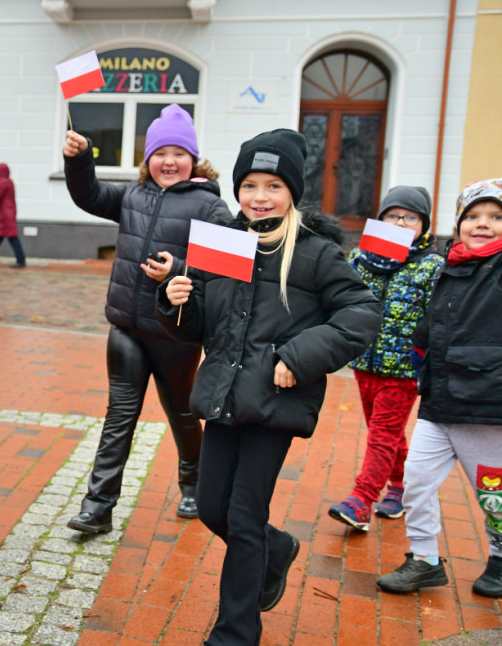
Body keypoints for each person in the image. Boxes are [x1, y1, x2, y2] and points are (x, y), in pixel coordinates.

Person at [159, 129, 381, 645]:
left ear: (292, 192)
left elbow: (363, 313)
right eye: (250, 185)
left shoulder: (315, 254)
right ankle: (275, 548)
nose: (260, 196)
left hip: (275, 402)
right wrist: (176, 300)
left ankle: (234, 633)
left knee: (241, 518)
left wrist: (299, 357)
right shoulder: (223, 243)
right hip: (222, 398)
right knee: (212, 507)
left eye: (274, 185)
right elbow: (198, 327)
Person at [62, 103, 232, 529]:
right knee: (120, 415)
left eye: (178, 153)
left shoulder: (208, 205)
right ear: (148, 158)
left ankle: (194, 486)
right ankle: (98, 506)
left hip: (175, 332)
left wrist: (177, 268)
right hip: (126, 327)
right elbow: (90, 195)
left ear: (193, 159)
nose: (168, 161)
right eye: (160, 153)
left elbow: (226, 267)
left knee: (182, 413)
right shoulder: (133, 195)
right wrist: (80, 159)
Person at [376, 178, 502, 599]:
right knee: (416, 480)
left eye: (496, 217)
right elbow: (431, 323)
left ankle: (501, 557)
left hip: (486, 405)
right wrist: (419, 354)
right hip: (440, 399)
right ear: (458, 222)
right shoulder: (448, 262)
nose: (482, 224)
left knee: (492, 494)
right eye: (473, 216)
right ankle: (424, 559)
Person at [328, 186, 445, 531]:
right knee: (389, 435)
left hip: (404, 369)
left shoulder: (432, 266)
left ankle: (361, 501)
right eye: (393, 216)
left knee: (382, 434)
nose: (401, 222)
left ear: (423, 225)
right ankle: (400, 487)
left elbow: (436, 318)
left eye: (410, 217)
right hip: (364, 363)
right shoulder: (362, 258)